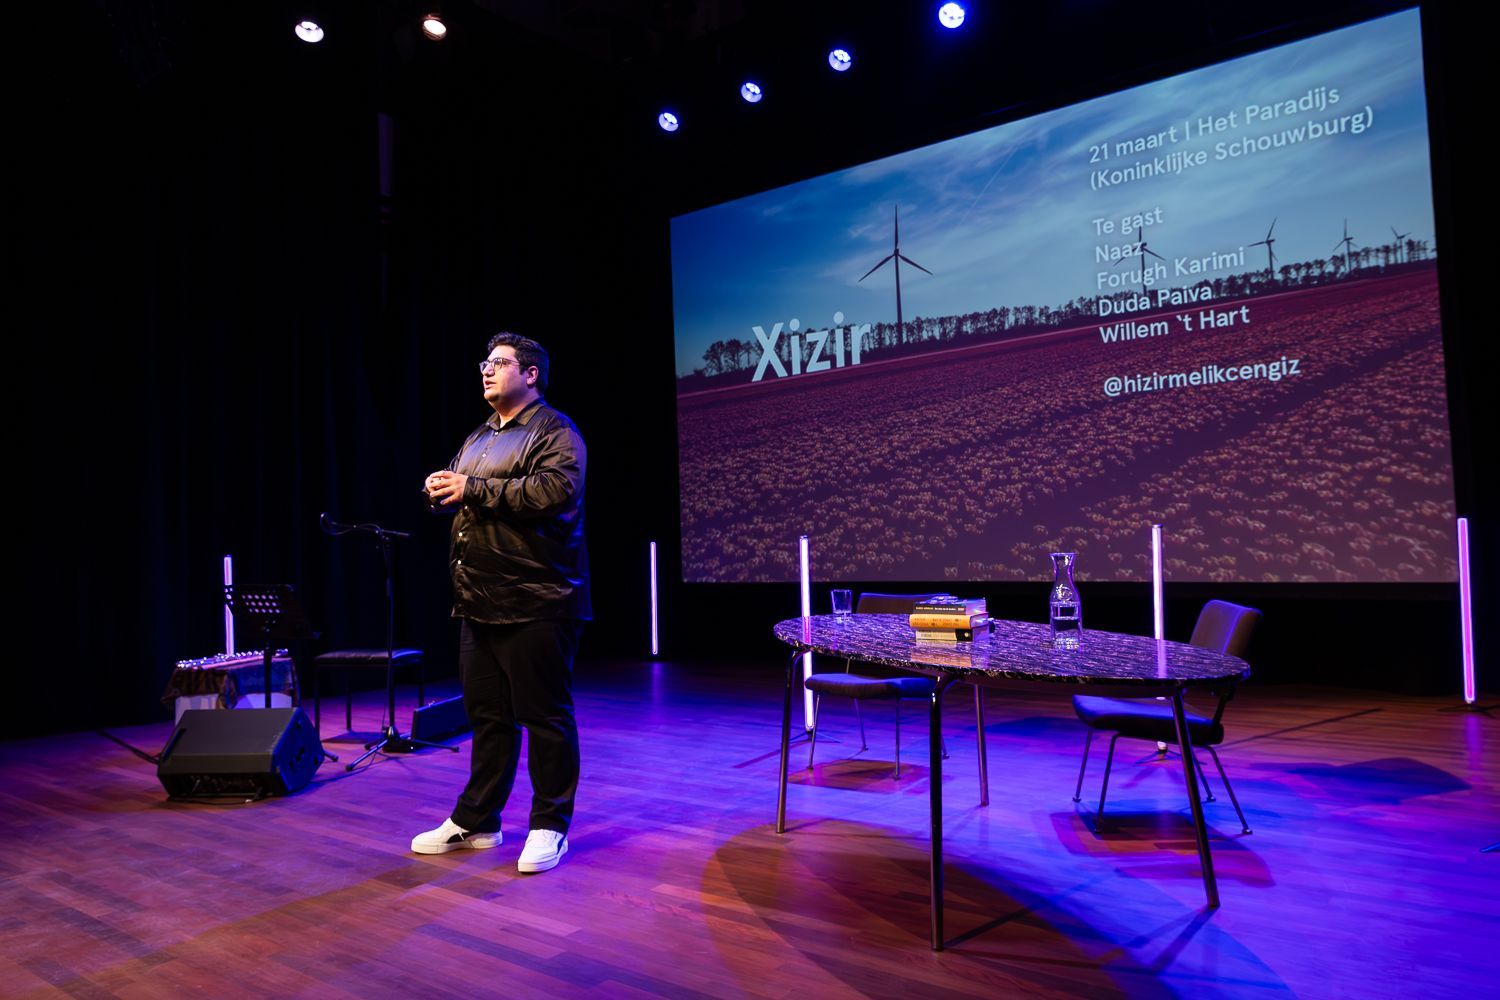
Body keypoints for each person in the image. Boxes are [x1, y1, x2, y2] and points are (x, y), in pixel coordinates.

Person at [411, 332, 589, 873]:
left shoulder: (556, 431)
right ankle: (479, 820)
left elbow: (553, 493)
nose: (486, 370)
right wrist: (441, 488)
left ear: (530, 374)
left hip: (537, 598)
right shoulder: (480, 435)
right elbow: (468, 493)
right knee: (487, 718)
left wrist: (473, 490)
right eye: (484, 362)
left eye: (499, 363)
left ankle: (550, 826)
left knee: (545, 717)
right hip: (478, 600)